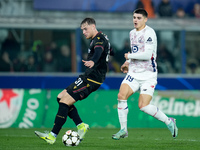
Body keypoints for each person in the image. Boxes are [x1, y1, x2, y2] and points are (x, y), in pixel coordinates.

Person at [35, 17, 114, 144]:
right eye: (82, 30)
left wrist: (93, 60)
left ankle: (52, 135)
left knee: (65, 101)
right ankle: (81, 125)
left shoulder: (99, 39)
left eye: (85, 29)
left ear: (93, 26)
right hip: (87, 76)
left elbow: (99, 51)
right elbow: (111, 51)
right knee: (60, 97)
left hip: (92, 79)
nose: (83, 32)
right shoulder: (102, 38)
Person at [112, 8, 178, 140]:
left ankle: (169, 121)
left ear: (145, 19)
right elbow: (136, 51)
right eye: (134, 17)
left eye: (139, 18)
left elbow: (148, 55)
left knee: (143, 106)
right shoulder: (132, 33)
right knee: (121, 95)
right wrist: (127, 61)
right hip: (134, 73)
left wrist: (129, 55)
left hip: (148, 74)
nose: (135, 20)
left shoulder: (149, 33)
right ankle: (124, 130)